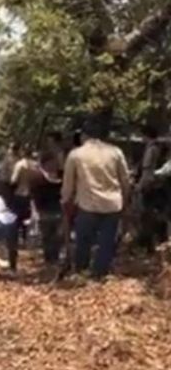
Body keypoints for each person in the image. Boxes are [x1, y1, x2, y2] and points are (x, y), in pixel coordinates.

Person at [61, 112, 132, 279]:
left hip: (88, 204)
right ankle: (100, 273)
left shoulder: (76, 154)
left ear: (84, 135)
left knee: (83, 241)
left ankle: (81, 271)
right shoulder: (115, 152)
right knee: (106, 242)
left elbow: (68, 184)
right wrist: (126, 200)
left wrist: (65, 201)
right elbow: (125, 180)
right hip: (113, 204)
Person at [136, 124, 166, 255]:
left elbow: (147, 170)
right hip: (160, 185)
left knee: (146, 215)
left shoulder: (151, 149)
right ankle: (161, 240)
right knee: (158, 214)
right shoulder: (161, 147)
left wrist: (140, 185)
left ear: (146, 136)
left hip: (149, 186)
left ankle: (147, 244)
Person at [31, 150, 64, 265]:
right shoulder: (37, 177)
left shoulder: (62, 175)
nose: (53, 165)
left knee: (59, 236)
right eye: (51, 162)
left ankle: (55, 257)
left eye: (54, 162)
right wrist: (35, 211)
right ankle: (49, 259)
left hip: (60, 210)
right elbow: (34, 196)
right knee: (47, 236)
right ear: (45, 163)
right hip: (44, 211)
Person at [9, 147, 37, 246]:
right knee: (28, 218)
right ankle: (26, 238)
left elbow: (13, 180)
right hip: (32, 194)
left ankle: (18, 239)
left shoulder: (20, 165)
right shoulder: (35, 165)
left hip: (20, 193)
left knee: (18, 217)